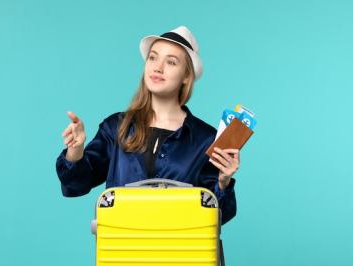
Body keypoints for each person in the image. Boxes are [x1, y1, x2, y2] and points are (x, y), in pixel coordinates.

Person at [56, 26, 240, 225]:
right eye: (153, 58)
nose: (158, 67)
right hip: (123, 249)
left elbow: (218, 216)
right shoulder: (117, 127)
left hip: (181, 252)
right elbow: (76, 184)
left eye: (171, 62)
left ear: (187, 76)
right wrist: (75, 151)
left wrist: (223, 181)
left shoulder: (206, 139)